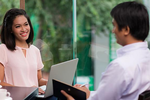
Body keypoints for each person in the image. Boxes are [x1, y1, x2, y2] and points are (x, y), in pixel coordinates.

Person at [61, 1, 150, 100]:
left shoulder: (120, 66)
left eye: (114, 25)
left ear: (126, 30)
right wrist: (90, 94)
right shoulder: (146, 56)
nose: (113, 30)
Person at [0, 8, 47, 94]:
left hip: (35, 97)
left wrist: (49, 82)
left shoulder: (35, 51)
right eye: (18, 26)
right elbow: (0, 83)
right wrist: (27, 89)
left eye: (26, 24)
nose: (24, 29)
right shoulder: (3, 49)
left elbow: (39, 80)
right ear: (10, 29)